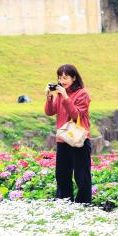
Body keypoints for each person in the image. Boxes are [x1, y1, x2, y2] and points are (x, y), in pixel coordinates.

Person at [44, 64, 92, 203]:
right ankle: (64, 203)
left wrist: (65, 97)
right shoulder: (60, 93)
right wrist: (49, 97)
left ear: (74, 78)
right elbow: (50, 112)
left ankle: (83, 205)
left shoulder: (83, 93)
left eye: (65, 77)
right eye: (59, 77)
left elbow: (76, 115)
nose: (62, 81)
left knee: (81, 176)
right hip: (63, 139)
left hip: (79, 140)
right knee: (61, 175)